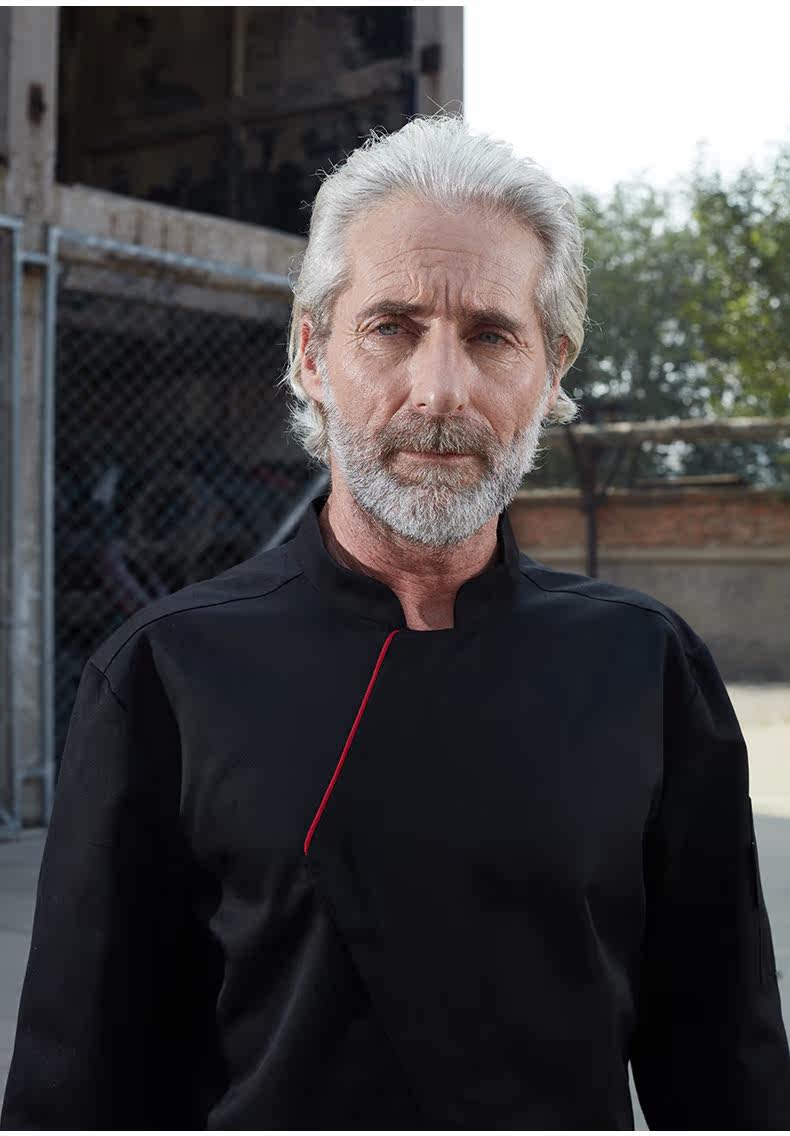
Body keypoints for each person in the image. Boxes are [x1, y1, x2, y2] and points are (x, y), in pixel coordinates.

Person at [2, 111, 789, 1131]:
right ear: (313, 354)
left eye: (491, 335)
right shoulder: (164, 675)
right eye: (392, 328)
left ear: (551, 370)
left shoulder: (646, 666)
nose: (441, 390)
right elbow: (80, 1094)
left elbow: (727, 1071)